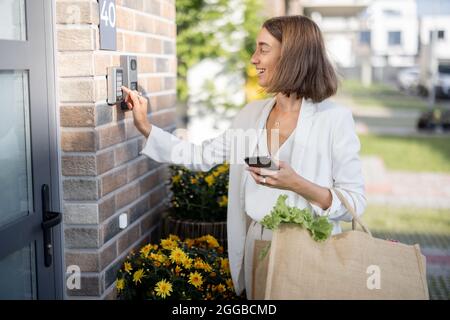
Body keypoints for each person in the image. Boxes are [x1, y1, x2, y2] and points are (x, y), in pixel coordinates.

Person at [121, 15, 366, 299]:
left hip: (311, 249)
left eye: (263, 49)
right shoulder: (251, 115)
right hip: (258, 245)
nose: (254, 58)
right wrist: (145, 127)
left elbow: (354, 204)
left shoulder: (334, 120)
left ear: (292, 55)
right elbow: (200, 156)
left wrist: (297, 183)